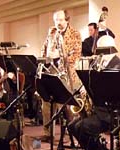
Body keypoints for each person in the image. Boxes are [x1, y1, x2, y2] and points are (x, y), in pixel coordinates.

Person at [67, 35, 120, 150]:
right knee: (72, 126)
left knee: (83, 127)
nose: (98, 55)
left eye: (101, 51)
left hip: (115, 113)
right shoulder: (101, 65)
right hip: (101, 110)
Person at [39, 9, 82, 141]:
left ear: (67, 20)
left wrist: (60, 56)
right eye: (56, 20)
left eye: (60, 20)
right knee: (46, 102)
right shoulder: (51, 33)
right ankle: (48, 133)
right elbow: (43, 49)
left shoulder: (75, 34)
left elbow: (76, 55)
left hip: (68, 75)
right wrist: (44, 59)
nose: (58, 23)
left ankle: (73, 131)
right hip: (52, 73)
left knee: (66, 106)